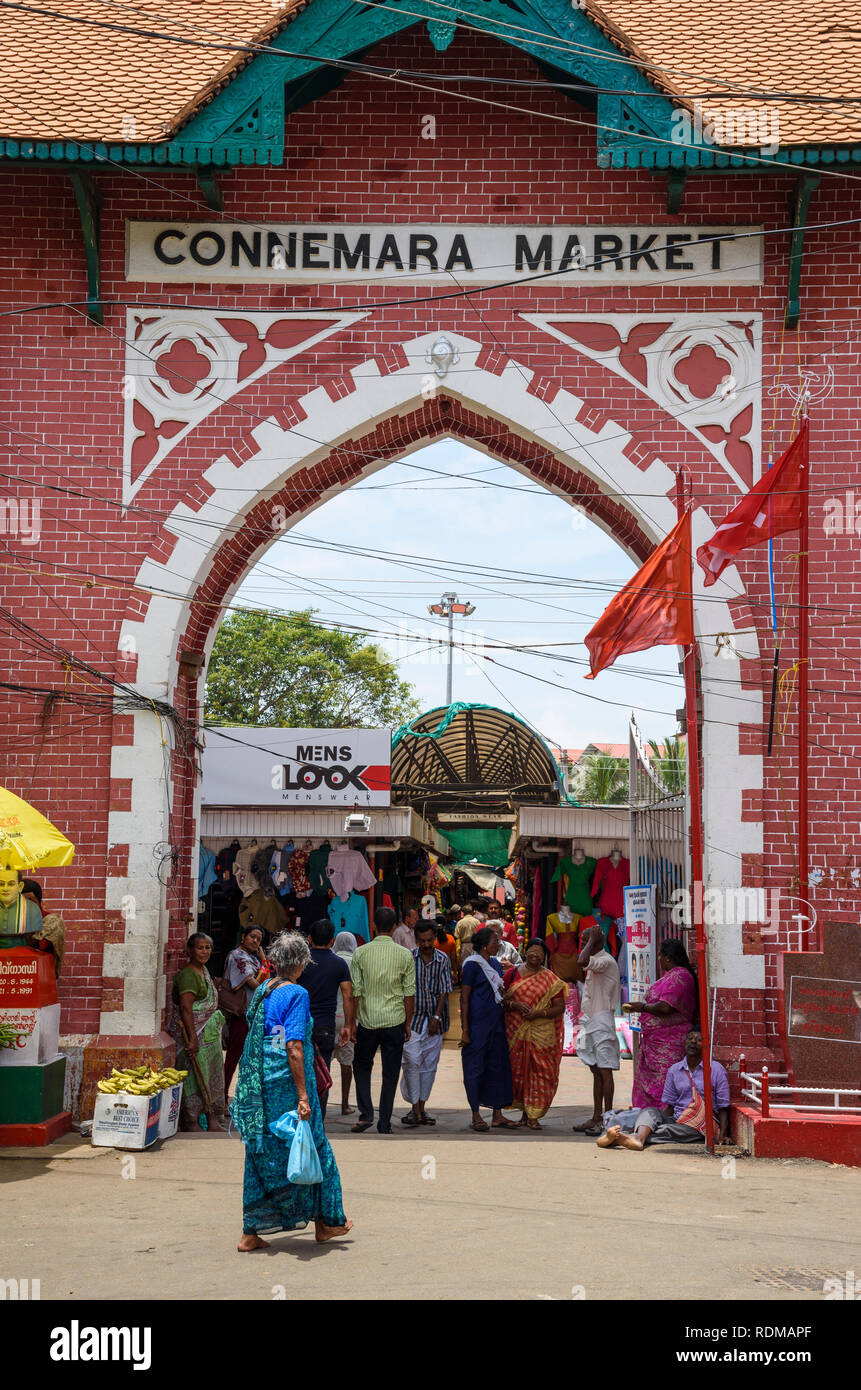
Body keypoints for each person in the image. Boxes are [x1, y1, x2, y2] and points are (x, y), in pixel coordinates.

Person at [231, 931, 353, 1250]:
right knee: (317, 1148)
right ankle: (328, 1221)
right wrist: (302, 1095)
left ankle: (250, 1231)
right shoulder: (296, 993)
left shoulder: (263, 990)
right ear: (301, 963)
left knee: (262, 1152)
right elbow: (294, 1046)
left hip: (261, 1084)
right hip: (287, 1083)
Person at [598, 1030, 730, 1150]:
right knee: (650, 1112)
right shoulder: (674, 1070)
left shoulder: (716, 1069)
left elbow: (723, 1107)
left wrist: (722, 1135)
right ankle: (636, 1137)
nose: (693, 1042)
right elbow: (669, 1107)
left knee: (667, 1130)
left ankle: (623, 1138)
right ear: (684, 1043)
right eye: (690, 1038)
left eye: (699, 1040)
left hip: (699, 1125)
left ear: (706, 1045)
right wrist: (647, 1123)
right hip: (678, 1118)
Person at [349, 906, 415, 1134]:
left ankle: (366, 1113)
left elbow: (355, 992)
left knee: (361, 1066)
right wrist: (408, 1023)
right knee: (390, 1072)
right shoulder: (405, 954)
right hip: (395, 1020)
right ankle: (384, 1121)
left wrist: (352, 1023)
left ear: (374, 926)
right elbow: (409, 993)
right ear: (395, 926)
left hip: (367, 1020)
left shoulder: (361, 953)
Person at [622, 938, 699, 1108]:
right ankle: (647, 1116)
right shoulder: (670, 976)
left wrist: (641, 1007)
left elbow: (665, 1007)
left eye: (660, 955)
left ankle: (663, 1118)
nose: (659, 959)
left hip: (668, 1042)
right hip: (654, 1042)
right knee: (650, 1082)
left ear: (668, 957)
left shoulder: (681, 976)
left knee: (664, 1083)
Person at [502, 938, 567, 1129]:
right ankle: (524, 1113)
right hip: (515, 1031)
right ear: (525, 952)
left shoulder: (550, 979)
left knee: (541, 1072)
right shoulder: (512, 973)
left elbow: (559, 1007)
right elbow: (502, 1000)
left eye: (539, 952)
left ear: (544, 956)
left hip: (542, 1034)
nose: (535, 955)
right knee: (519, 1072)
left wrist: (538, 1013)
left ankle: (534, 1115)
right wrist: (515, 1004)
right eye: (532, 950)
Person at [459, 926, 518, 1132]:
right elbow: (464, 998)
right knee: (475, 1068)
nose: (499, 944)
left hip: (496, 1023)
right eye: (495, 941)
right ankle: (476, 1114)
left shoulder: (494, 963)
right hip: (477, 1024)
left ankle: (497, 1114)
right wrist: (465, 1030)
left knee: (497, 1067)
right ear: (484, 945)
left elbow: (499, 992)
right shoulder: (472, 965)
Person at [169, 932, 228, 1132]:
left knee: (210, 1076)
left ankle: (211, 1117)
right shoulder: (188, 975)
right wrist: (193, 1040)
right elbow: (186, 1008)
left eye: (208, 948)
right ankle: (192, 1121)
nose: (204, 952)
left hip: (209, 1040)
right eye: (200, 948)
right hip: (194, 1036)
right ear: (189, 951)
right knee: (194, 1077)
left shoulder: (203, 971)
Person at [296, 919, 354, 1120]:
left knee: (299, 1071)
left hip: (300, 1025)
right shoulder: (339, 964)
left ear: (309, 939)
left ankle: (301, 1113)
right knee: (323, 1072)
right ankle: (318, 1119)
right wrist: (348, 1025)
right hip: (325, 1026)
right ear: (332, 940)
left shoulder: (301, 962)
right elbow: (347, 995)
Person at [400, 922, 453, 1127]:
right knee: (412, 1061)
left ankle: (421, 1108)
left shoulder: (443, 959)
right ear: (416, 940)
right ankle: (414, 1107)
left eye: (429, 940)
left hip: (434, 1021)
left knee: (429, 1065)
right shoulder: (408, 959)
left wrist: (436, 1018)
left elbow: (444, 991)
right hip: (412, 1020)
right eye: (422, 941)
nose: (426, 944)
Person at [572, 923, 621, 1136]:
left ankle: (607, 1120)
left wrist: (591, 940)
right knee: (595, 1071)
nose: (582, 946)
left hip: (602, 1023)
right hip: (591, 1021)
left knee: (605, 1071)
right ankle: (596, 1117)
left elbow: (581, 960)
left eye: (585, 942)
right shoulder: (596, 963)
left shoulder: (605, 961)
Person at [223, 926, 270, 1095]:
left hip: (253, 1012)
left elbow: (265, 978)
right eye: (252, 937)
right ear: (243, 937)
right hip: (241, 1013)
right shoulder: (237, 956)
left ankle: (246, 1096)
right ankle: (222, 1097)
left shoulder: (254, 958)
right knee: (233, 1056)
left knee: (251, 1057)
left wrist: (263, 958)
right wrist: (266, 989)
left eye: (259, 939)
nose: (255, 941)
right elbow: (255, 984)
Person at [333, 931, 358, 1115]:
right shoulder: (354, 962)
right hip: (346, 1019)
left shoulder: (330, 961)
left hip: (327, 1017)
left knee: (323, 1062)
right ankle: (344, 1104)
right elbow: (355, 995)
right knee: (346, 1062)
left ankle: (320, 1099)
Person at [22, 878, 66, 976]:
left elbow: (41, 945)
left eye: (30, 901)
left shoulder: (52, 921)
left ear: (39, 902)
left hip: (42, 978)